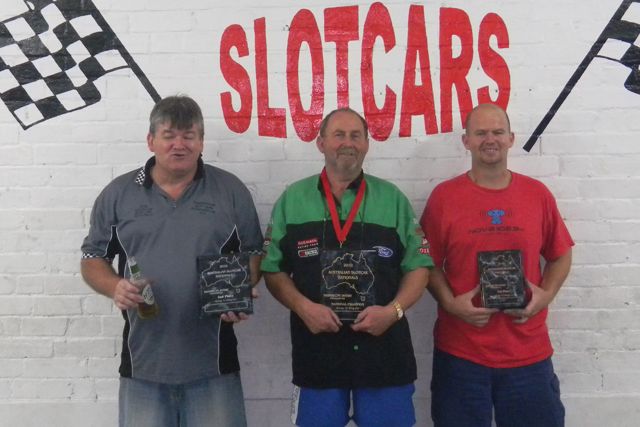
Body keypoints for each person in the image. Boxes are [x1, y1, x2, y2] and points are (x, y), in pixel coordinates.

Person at [80, 95, 263, 427]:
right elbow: (93, 257)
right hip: (143, 366)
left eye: (189, 135)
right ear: (151, 140)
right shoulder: (118, 194)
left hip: (215, 366)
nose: (179, 144)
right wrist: (114, 287)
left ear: (201, 141)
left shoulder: (231, 191)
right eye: (169, 135)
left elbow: (253, 253)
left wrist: (242, 290)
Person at [261, 107, 433, 427]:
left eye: (356, 135)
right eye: (338, 134)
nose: (347, 142)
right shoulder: (293, 199)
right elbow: (273, 268)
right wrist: (302, 307)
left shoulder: (392, 199)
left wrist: (393, 311)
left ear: (367, 143)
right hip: (318, 357)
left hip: (384, 355)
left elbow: (419, 266)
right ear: (320, 142)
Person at [420, 103, 574, 427]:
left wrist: (545, 296)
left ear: (511, 138)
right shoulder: (444, 197)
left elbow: (560, 254)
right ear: (466, 141)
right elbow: (425, 262)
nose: (490, 139)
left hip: (528, 353)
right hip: (461, 353)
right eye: (480, 133)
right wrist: (450, 303)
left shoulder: (537, 194)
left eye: (497, 132)